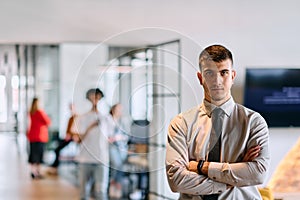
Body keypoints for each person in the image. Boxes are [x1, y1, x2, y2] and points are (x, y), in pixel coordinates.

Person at [165, 44, 270, 199]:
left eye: (224, 72)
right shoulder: (181, 124)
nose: (217, 80)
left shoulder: (253, 122)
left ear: (232, 76)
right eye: (209, 73)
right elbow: (177, 180)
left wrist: (201, 167)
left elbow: (258, 174)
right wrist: (231, 179)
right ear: (200, 78)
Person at [74, 88, 110, 200]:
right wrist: (90, 128)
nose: (95, 99)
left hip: (101, 159)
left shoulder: (106, 118)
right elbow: (78, 140)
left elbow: (110, 137)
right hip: (85, 159)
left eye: (97, 97)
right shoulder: (82, 118)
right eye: (93, 96)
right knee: (83, 192)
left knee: (100, 192)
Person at [48, 103, 77, 175]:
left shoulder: (76, 117)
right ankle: (54, 165)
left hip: (72, 138)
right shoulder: (71, 118)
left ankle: (55, 166)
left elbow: (76, 130)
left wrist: (71, 135)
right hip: (68, 137)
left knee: (58, 149)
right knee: (57, 147)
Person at [27, 97, 51, 179]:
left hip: (32, 136)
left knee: (33, 154)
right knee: (39, 155)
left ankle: (33, 171)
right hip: (40, 136)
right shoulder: (40, 112)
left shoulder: (31, 112)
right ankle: (38, 172)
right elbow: (48, 122)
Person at [108, 103, 129, 198]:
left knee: (120, 166)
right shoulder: (109, 120)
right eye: (118, 109)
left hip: (122, 147)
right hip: (112, 147)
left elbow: (127, 136)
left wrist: (119, 137)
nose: (119, 111)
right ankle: (114, 183)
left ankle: (115, 184)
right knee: (116, 165)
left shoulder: (122, 121)